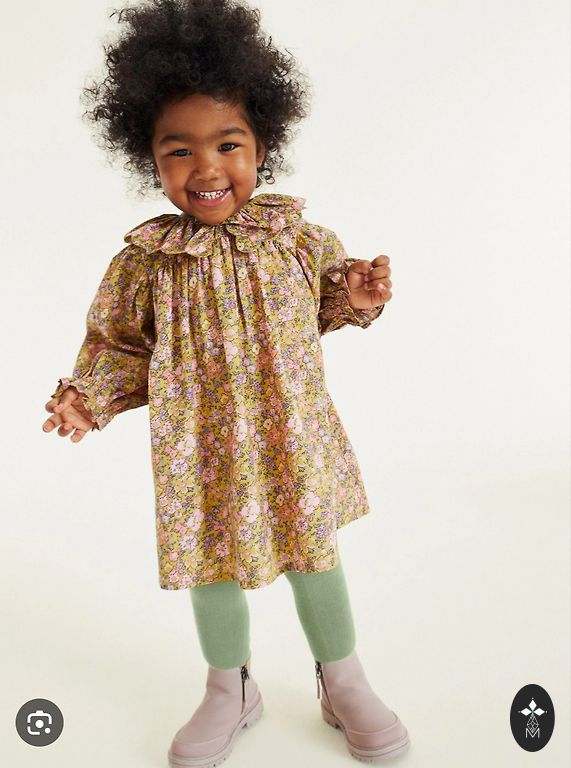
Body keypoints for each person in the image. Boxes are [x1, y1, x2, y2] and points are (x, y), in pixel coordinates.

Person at [41, 0, 410, 764]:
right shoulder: (146, 264)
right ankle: (229, 687)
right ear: (147, 156)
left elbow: (323, 303)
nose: (206, 169)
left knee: (314, 555)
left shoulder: (296, 238)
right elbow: (118, 346)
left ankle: (342, 678)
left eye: (227, 144)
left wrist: (354, 296)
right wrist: (87, 398)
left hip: (289, 436)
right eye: (178, 150)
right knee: (210, 567)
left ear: (262, 145)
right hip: (199, 449)